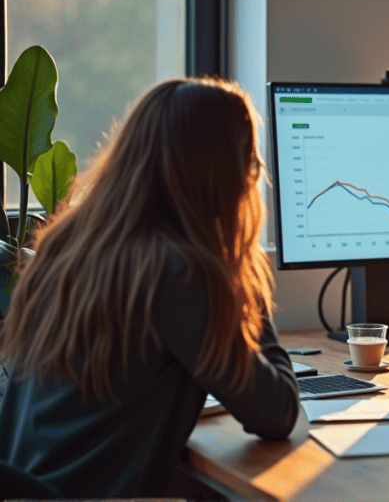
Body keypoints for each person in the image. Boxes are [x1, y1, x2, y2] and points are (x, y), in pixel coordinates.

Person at [0, 78, 301, 497]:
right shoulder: (178, 274)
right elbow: (278, 412)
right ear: (227, 179)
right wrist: (238, 272)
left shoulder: (67, 249)